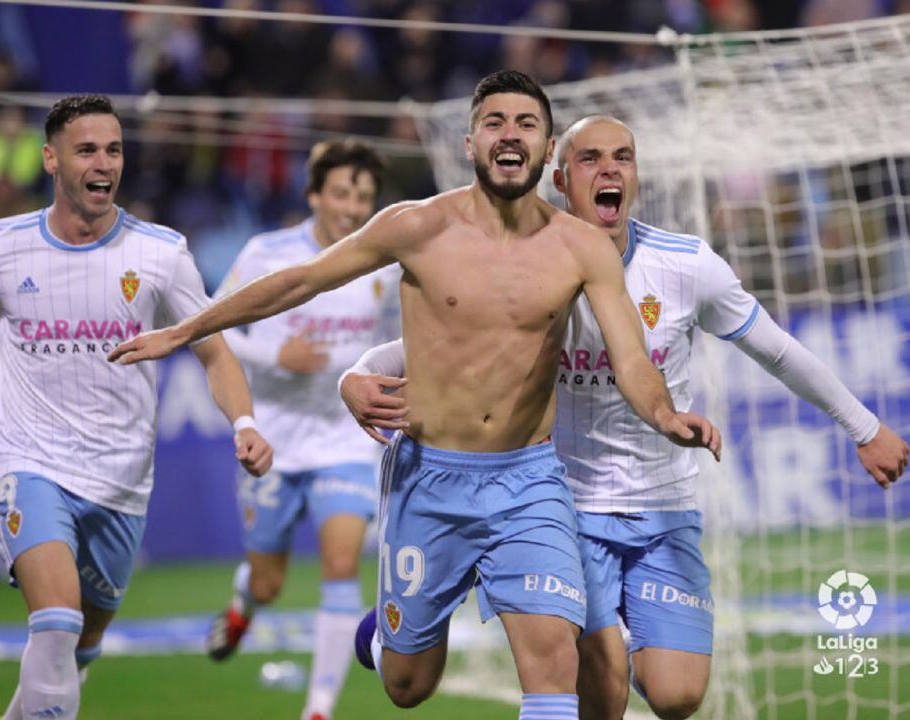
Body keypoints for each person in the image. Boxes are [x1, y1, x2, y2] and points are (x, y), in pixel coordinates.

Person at [109, 72, 719, 720]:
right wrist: (186, 328)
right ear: (469, 143)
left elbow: (630, 355)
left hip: (530, 481)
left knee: (553, 663)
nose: (509, 134)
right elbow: (300, 282)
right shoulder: (418, 226)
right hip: (431, 480)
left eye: (526, 124)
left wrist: (663, 414)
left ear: (546, 153)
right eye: (494, 122)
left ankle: (497, 570)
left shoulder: (581, 247)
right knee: (407, 685)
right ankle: (399, 625)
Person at [338, 114, 910, 720]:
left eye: (623, 157)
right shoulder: (528, 265)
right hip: (563, 508)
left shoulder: (687, 265)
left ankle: (478, 582)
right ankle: (476, 585)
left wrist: (864, 427)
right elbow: (420, 347)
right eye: (590, 159)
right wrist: (353, 376)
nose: (609, 169)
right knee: (600, 695)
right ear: (559, 177)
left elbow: (775, 348)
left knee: (677, 694)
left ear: (635, 176)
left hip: (664, 508)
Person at [0, 95, 273, 720]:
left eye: (114, 149)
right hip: (25, 457)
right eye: (87, 149)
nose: (104, 162)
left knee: (78, 650)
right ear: (51, 159)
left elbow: (215, 351)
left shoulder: (161, 254)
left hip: (119, 480)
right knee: (56, 620)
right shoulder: (0, 247)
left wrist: (244, 423)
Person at [205, 139, 399, 720]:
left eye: (364, 196)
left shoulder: (384, 265)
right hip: (274, 440)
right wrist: (273, 352)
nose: (352, 207)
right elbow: (212, 330)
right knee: (268, 583)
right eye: (341, 192)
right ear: (314, 195)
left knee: (342, 565)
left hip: (345, 438)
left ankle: (317, 711)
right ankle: (244, 607)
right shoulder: (267, 254)